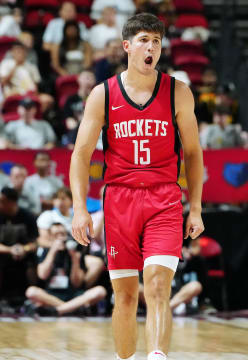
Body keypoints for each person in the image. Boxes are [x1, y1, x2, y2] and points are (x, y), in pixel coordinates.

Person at [69, 13, 204, 360]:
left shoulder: (178, 92)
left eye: (157, 42)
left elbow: (192, 152)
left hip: (164, 198)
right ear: (128, 46)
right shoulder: (103, 95)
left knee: (158, 284)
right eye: (144, 39)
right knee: (126, 296)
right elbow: (81, 155)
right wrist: (80, 209)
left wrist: (197, 208)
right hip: (119, 200)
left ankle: (157, 356)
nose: (151, 47)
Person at [25, 223, 106, 316]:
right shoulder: (46, 251)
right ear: (51, 237)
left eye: (62, 234)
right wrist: (53, 251)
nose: (60, 238)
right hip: (52, 295)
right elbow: (42, 275)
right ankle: (70, 309)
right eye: (56, 235)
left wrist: (75, 259)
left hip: (73, 294)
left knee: (100, 291)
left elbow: (77, 283)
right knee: (31, 291)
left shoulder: (75, 252)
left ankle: (58, 310)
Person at [0, 187, 38, 301]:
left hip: (24, 251)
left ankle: (33, 295)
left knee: (32, 259)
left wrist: (24, 249)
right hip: (3, 251)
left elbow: (34, 243)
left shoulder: (28, 216)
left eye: (2, 201)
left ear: (12, 203)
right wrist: (10, 250)